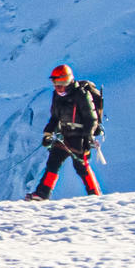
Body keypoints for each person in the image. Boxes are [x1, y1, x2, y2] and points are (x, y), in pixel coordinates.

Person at [25, 64, 103, 200]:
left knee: (81, 166)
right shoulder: (57, 95)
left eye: (60, 83)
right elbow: (55, 118)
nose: (57, 87)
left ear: (67, 81)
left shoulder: (81, 95)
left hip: (80, 137)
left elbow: (91, 119)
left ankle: (95, 196)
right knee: (53, 162)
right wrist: (47, 134)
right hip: (65, 135)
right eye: (55, 83)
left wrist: (88, 138)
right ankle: (42, 194)